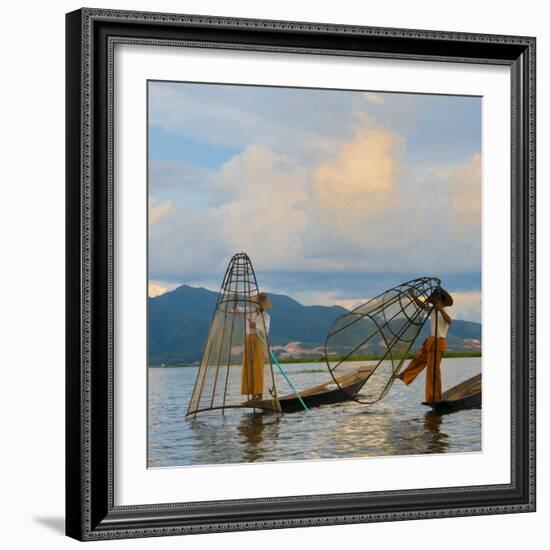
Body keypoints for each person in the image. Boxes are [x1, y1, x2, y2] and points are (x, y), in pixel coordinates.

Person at [396, 287, 453, 402]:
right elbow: (423, 306)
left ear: (440, 300)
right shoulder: (433, 310)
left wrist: (440, 309)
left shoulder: (446, 310)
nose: (433, 301)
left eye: (435, 299)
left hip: (439, 341)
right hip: (431, 340)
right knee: (418, 359)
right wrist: (413, 296)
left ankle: (434, 398)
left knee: (433, 371)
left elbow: (449, 321)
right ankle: (405, 375)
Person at [233, 292, 272, 401]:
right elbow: (236, 310)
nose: (259, 306)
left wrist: (256, 326)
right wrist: (235, 302)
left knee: (258, 367)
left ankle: (259, 395)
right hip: (249, 340)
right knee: (249, 366)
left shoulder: (266, 316)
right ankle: (252, 395)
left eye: (261, 304)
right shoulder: (249, 310)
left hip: (259, 341)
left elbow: (266, 331)